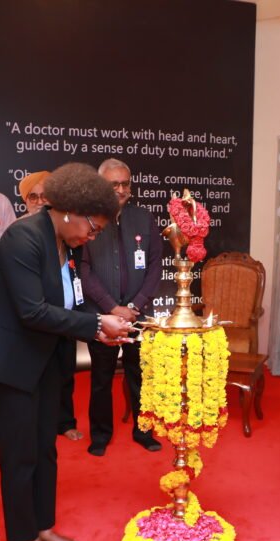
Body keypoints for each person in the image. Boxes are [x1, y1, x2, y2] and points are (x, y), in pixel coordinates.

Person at [0, 162, 134, 541]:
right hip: (7, 362)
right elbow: (32, 311)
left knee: (45, 448)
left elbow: (71, 301)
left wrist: (100, 324)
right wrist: (96, 325)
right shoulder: (23, 238)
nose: (93, 236)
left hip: (43, 359)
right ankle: (24, 536)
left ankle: (43, 525)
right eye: (93, 227)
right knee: (21, 452)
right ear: (72, 210)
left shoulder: (69, 244)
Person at [79, 158, 163, 456]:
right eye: (113, 184)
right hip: (102, 315)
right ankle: (100, 435)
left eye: (125, 183)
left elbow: (155, 265)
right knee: (101, 379)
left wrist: (135, 305)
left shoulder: (143, 218)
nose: (121, 189)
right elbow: (83, 270)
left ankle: (144, 431)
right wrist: (112, 307)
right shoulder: (86, 219)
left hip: (138, 315)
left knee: (139, 374)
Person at [18, 169, 83, 441]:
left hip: (66, 316)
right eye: (33, 197)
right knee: (35, 375)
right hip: (36, 318)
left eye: (45, 196)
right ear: (25, 201)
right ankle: (35, 423)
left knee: (65, 372)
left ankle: (64, 421)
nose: (40, 201)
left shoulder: (64, 231)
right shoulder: (20, 232)